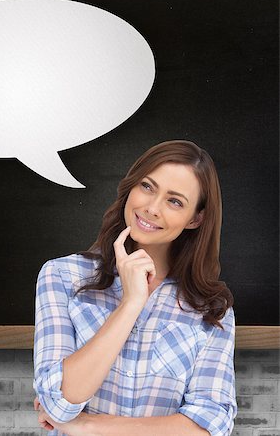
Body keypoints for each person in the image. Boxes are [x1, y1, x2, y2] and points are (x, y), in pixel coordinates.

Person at [32, 140, 237, 436]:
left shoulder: (211, 308)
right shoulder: (63, 276)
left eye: (175, 201)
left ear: (196, 218)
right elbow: (58, 403)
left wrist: (87, 424)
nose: (152, 208)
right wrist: (130, 304)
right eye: (147, 187)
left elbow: (211, 424)